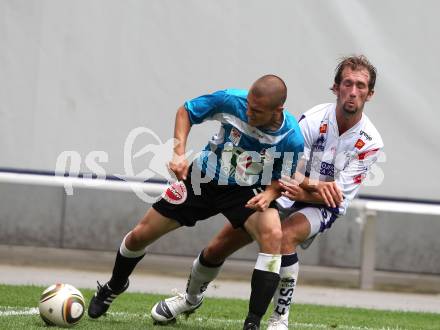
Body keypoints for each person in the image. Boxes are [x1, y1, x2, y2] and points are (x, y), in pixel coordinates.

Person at [151, 55, 384, 330]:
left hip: (319, 206)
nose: (353, 91)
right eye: (347, 83)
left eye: (360, 86)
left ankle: (279, 318)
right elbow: (286, 169)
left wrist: (304, 189)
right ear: (336, 87)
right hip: (281, 189)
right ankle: (190, 299)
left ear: (370, 94)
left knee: (283, 237)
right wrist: (301, 185)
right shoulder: (311, 121)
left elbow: (335, 198)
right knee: (216, 249)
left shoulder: (370, 142)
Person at [87, 74, 304, 330]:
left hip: (245, 191)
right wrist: (178, 153)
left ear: (278, 109)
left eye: (255, 111)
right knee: (140, 235)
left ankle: (252, 322)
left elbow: (283, 178)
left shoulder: (292, 137)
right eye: (247, 105)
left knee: (272, 234)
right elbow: (186, 111)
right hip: (201, 180)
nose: (248, 112)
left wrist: (270, 194)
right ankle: (115, 284)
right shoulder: (231, 100)